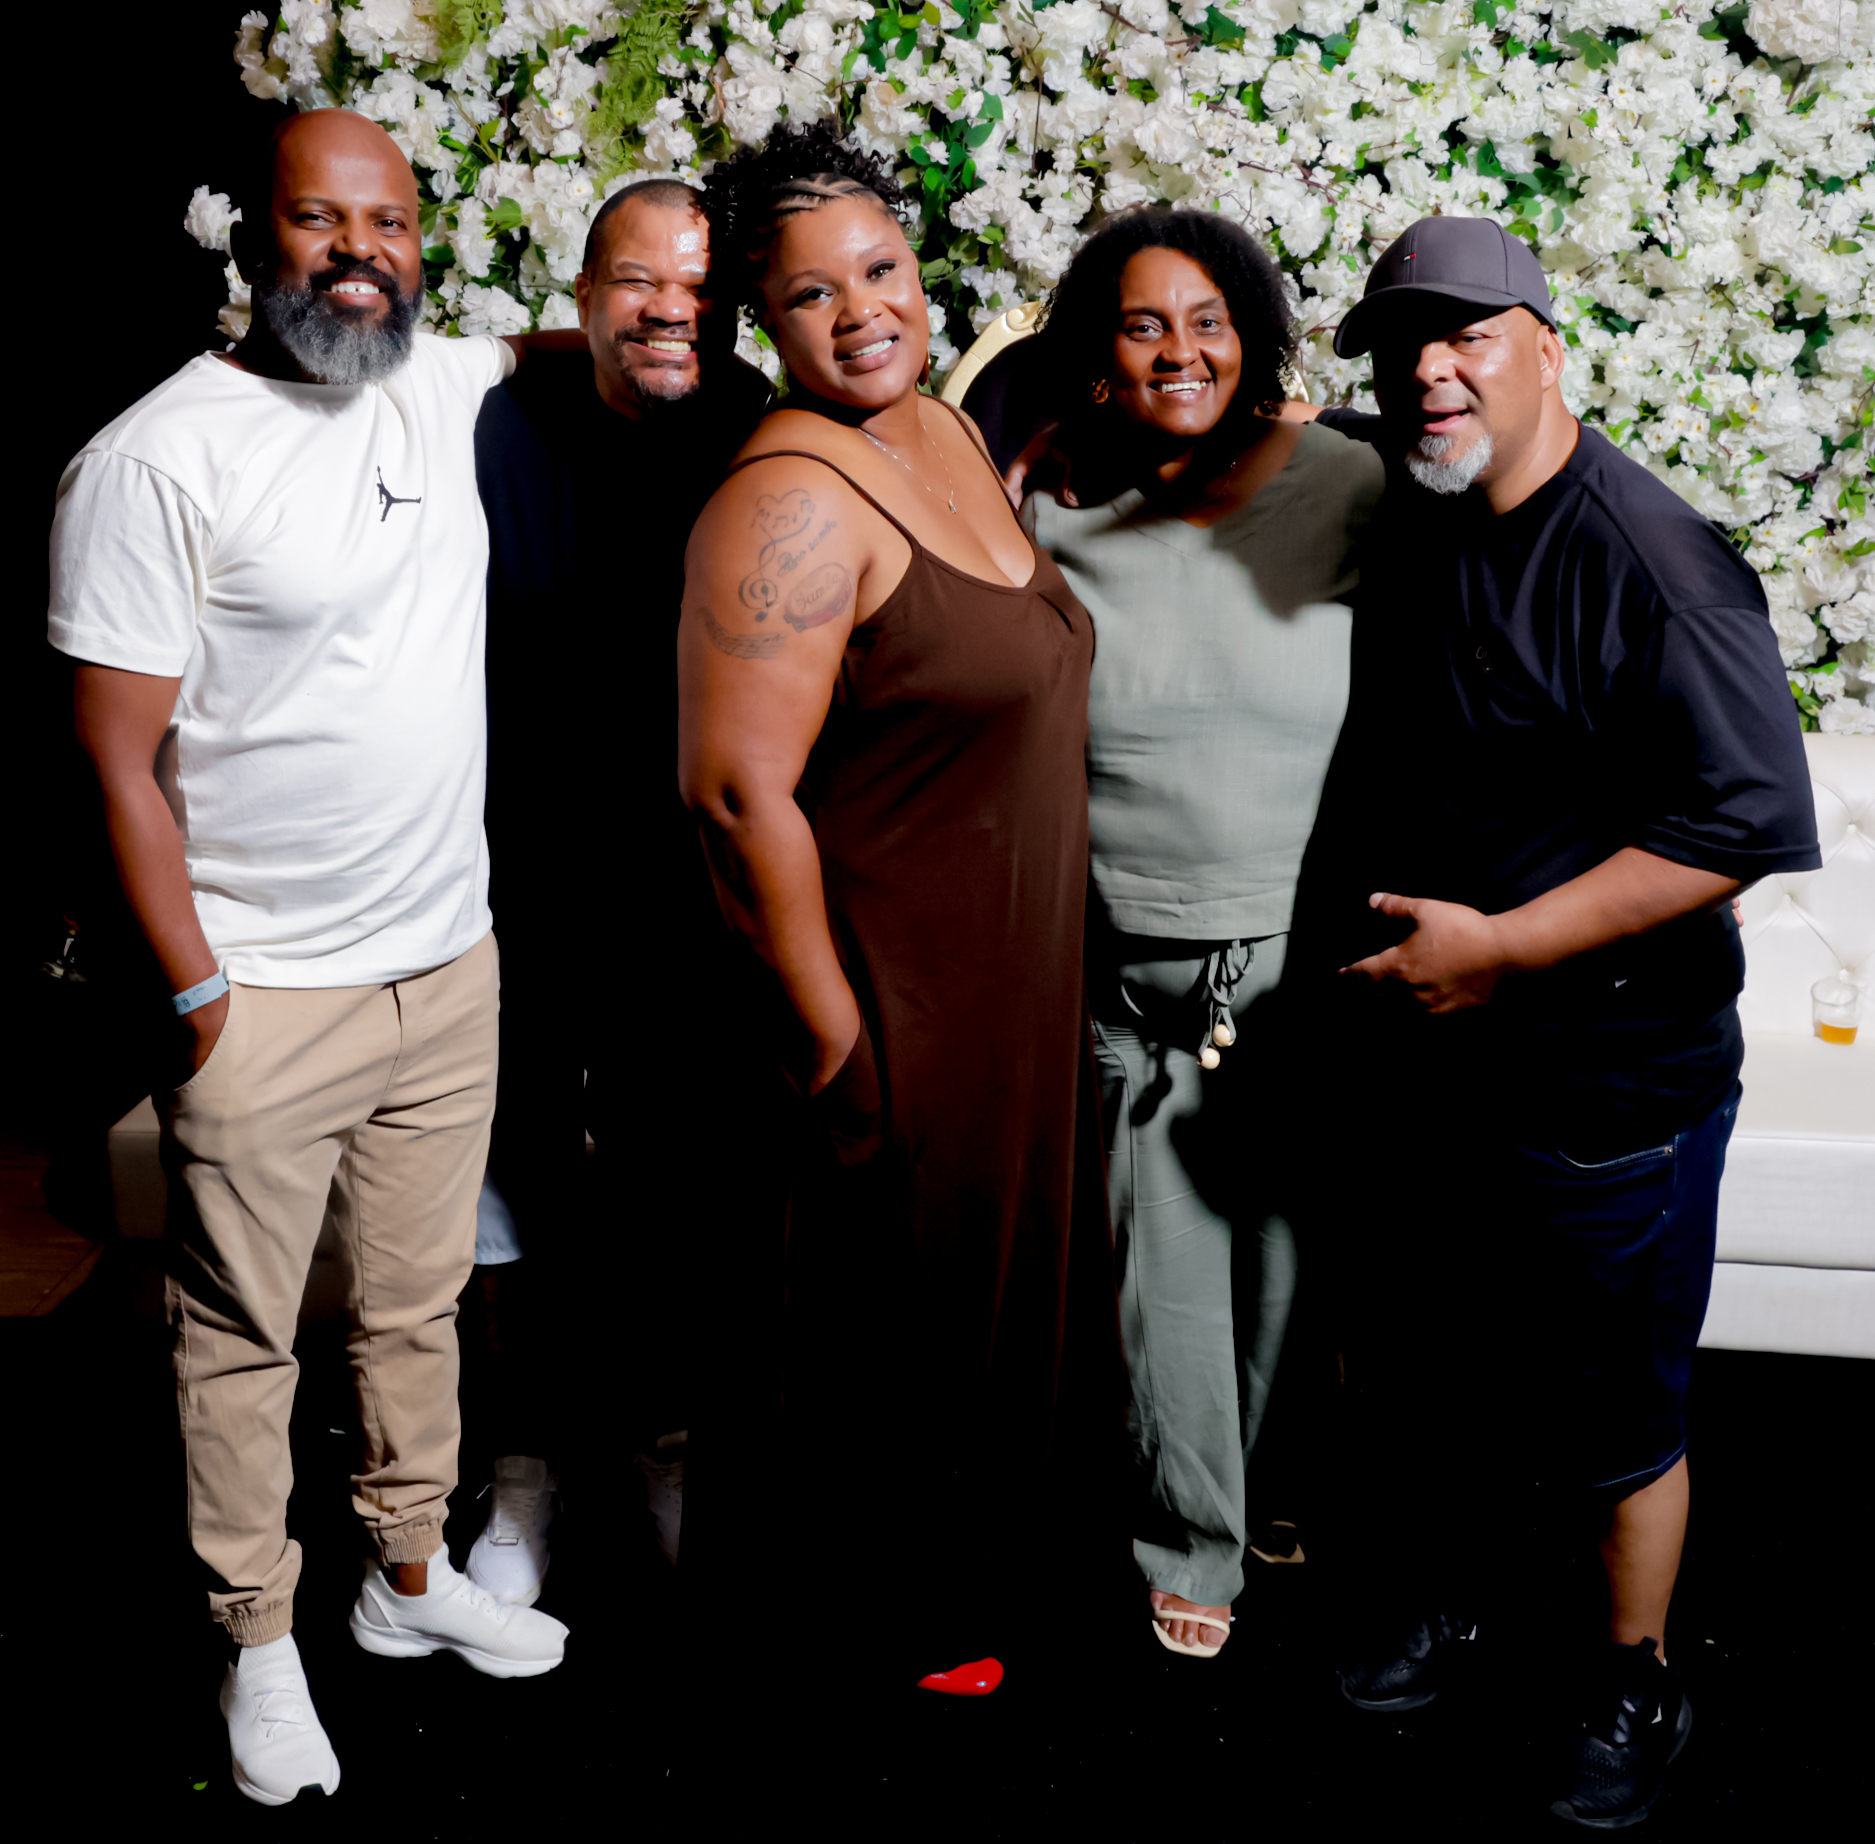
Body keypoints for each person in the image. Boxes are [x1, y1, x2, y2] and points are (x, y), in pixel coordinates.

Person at [49, 109, 576, 1807]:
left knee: (417, 1308)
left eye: (389, 223)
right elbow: (114, 765)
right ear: (253, 237)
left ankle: (405, 1574)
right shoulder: (154, 458)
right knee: (240, 1341)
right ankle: (256, 1639)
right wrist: (200, 995)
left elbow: (582, 343)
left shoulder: (443, 382)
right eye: (320, 220)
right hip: (263, 991)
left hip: (446, 967)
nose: (360, 254)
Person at [1296, 216, 1820, 1828]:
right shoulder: (1429, 495)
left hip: (1607, 1073)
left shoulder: (1655, 560)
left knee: (1608, 1410)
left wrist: (1504, 950)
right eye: (1403, 346)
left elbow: (1741, 821)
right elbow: (1261, 422)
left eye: (1465, 335)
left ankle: (1631, 1674)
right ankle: (1451, 1597)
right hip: (1438, 1063)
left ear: (1546, 345)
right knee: (1439, 1365)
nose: (1427, 372)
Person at [678, 121, 1122, 1681]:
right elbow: (734, 794)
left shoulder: (932, 430)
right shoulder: (785, 504)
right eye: (812, 294)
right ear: (763, 320)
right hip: (894, 996)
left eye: (880, 271)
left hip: (1008, 979)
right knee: (890, 1325)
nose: (861, 310)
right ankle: (887, 1631)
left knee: (991, 1310)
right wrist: (832, 1041)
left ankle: (982, 1582)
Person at [1013, 208, 1384, 1658]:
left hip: (1300, 966)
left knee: (1290, 1278)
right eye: (1143, 324)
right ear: (1097, 357)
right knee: (1156, 1284)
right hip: (1128, 966)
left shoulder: (1347, 480)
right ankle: (1191, 1541)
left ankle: (1271, 1491)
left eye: (1209, 319)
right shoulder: (1046, 505)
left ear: (1253, 338)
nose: (1181, 350)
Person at [464, 176, 774, 1596]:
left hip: (688, 899)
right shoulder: (496, 419)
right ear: (583, 295)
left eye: (698, 288)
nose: (670, 310)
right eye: (639, 281)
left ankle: (661, 1445)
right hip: (513, 884)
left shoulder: (761, 426)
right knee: (511, 1198)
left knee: (678, 1199)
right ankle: (524, 1470)